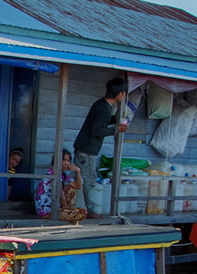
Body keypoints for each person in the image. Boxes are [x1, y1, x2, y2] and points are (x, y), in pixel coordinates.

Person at [73, 77, 128, 217]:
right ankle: (90, 211)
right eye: (124, 92)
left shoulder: (102, 104)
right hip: (87, 150)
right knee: (89, 181)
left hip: (83, 147)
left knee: (79, 178)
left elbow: (99, 122)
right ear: (120, 93)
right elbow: (96, 130)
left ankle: (77, 207)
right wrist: (116, 129)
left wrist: (114, 119)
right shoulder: (104, 108)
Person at [34, 150, 87, 222]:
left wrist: (78, 171)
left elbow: (78, 186)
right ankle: (68, 215)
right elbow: (60, 193)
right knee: (81, 213)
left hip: (57, 209)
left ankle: (68, 214)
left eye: (68, 161)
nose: (66, 163)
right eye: (64, 160)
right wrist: (66, 209)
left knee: (71, 188)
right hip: (47, 212)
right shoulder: (53, 172)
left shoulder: (63, 175)